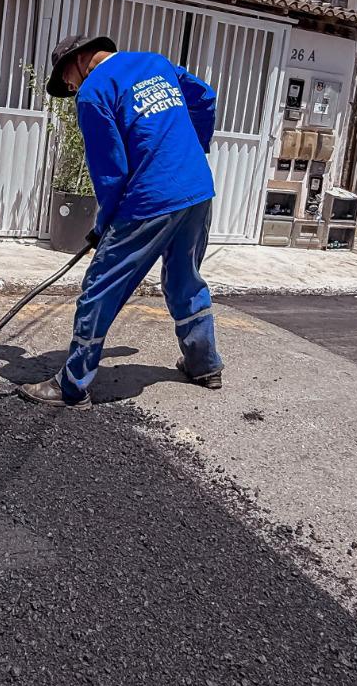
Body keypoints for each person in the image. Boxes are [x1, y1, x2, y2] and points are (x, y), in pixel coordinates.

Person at [16, 33, 223, 409]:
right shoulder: (156, 62)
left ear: (77, 62)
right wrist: (192, 150)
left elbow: (110, 171)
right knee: (185, 278)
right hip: (196, 190)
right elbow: (205, 97)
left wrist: (103, 224)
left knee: (101, 287)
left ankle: (71, 385)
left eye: (66, 80)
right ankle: (204, 364)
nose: (70, 87)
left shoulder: (94, 92)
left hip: (150, 199)